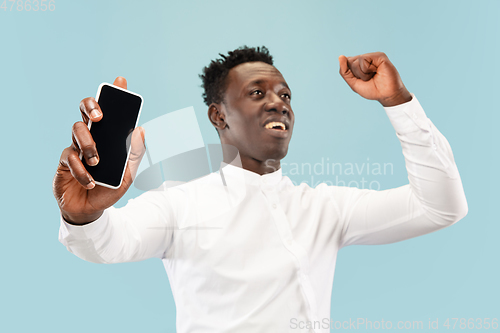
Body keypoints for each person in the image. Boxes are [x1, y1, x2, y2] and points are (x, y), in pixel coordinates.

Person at [54, 46, 468, 333]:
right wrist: (83, 214)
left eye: (285, 95)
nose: (279, 103)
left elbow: (440, 206)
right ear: (219, 115)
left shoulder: (325, 207)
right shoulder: (180, 205)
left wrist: (398, 101)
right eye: (257, 93)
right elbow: (108, 243)